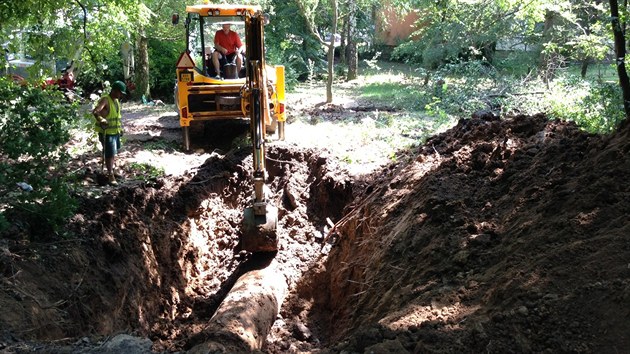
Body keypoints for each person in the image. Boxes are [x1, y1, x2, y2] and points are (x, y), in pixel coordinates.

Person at [92, 80, 126, 185]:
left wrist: (120, 129)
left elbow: (116, 117)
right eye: (120, 92)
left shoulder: (116, 102)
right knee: (109, 154)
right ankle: (110, 175)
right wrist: (101, 119)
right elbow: (95, 111)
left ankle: (112, 170)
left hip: (114, 132)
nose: (121, 95)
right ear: (115, 91)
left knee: (113, 153)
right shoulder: (105, 100)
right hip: (106, 133)